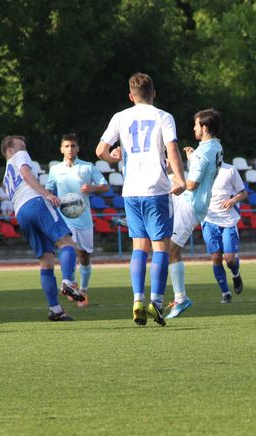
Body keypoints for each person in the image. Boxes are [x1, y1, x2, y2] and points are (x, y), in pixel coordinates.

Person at [95, 72, 185, 326]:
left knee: (138, 247)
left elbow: (101, 150)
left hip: (131, 191)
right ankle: (156, 302)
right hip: (156, 189)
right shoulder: (163, 117)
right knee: (160, 247)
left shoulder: (120, 117)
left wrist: (114, 158)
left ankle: (137, 299)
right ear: (154, 93)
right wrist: (179, 178)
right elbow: (172, 150)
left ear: (131, 96)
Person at [1, 135, 84, 321]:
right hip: (36, 202)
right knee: (67, 243)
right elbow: (25, 173)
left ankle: (55, 309)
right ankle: (68, 281)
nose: (24, 148)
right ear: (10, 150)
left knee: (46, 260)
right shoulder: (20, 156)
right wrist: (46, 194)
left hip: (21, 213)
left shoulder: (6, 175)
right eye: (21, 145)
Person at [162, 109, 225, 318]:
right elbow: (203, 171)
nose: (194, 128)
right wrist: (191, 158)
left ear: (204, 127)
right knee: (169, 248)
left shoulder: (203, 153)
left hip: (191, 204)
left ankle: (181, 298)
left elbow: (190, 184)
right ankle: (180, 297)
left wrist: (174, 176)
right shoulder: (215, 146)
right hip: (192, 202)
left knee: (169, 250)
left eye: (196, 125)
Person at [45, 133, 109, 308]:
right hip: (65, 220)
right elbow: (48, 189)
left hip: (84, 220)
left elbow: (105, 186)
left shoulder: (88, 168)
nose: (70, 149)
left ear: (78, 148)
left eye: (73, 146)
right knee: (69, 250)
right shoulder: (55, 169)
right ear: (61, 149)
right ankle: (70, 284)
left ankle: (83, 290)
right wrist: (50, 196)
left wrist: (92, 188)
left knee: (84, 256)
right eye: (67, 146)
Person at [199, 161, 247, 311]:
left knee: (230, 258)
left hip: (228, 220)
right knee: (216, 258)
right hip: (208, 220)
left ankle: (236, 274)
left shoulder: (230, 170)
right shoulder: (201, 170)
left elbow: (243, 193)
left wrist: (233, 200)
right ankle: (225, 293)